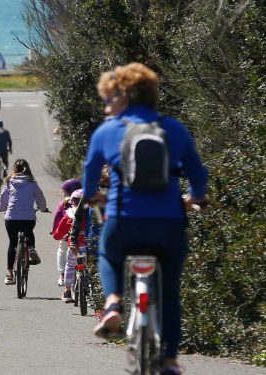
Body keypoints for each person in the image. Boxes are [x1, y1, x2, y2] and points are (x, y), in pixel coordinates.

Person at [83, 63, 208, 374]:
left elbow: (88, 175)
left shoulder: (108, 131)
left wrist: (91, 195)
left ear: (122, 95)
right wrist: (196, 197)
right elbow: (197, 173)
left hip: (124, 222)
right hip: (168, 224)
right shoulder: (173, 129)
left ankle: (113, 303)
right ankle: (168, 360)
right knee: (169, 291)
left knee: (109, 255)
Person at [0, 158, 48, 285]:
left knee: (13, 243)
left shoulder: (9, 182)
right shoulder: (32, 183)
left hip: (11, 218)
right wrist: (43, 209)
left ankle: (10, 274)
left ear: (14, 169)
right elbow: (40, 197)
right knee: (29, 231)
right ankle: (31, 249)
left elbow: (3, 198)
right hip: (28, 218)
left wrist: (2, 208)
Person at [52, 189, 95, 302]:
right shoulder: (91, 214)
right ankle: (93, 292)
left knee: (70, 266)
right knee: (91, 266)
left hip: (74, 245)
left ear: (72, 202)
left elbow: (59, 233)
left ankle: (67, 292)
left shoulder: (69, 215)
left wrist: (56, 236)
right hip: (88, 245)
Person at [53, 178, 82, 286]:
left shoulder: (64, 204)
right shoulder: (88, 203)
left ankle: (62, 274)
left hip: (68, 237)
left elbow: (57, 219)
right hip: (86, 240)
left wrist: (55, 231)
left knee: (62, 250)